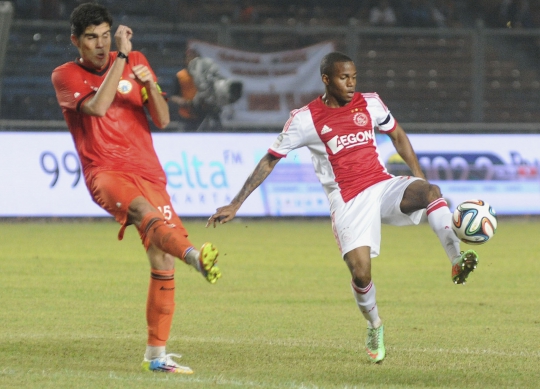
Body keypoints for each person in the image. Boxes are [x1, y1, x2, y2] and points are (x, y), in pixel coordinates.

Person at [207, 51, 479, 364]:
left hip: (381, 184)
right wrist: (236, 203)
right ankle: (374, 324)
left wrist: (416, 175)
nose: (351, 84)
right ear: (326, 79)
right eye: (343, 78)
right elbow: (270, 158)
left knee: (431, 191)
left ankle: (457, 259)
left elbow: (397, 135)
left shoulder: (370, 103)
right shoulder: (305, 119)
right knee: (361, 274)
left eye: (354, 77)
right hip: (348, 200)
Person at [51, 2, 221, 374]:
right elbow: (96, 108)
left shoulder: (136, 60)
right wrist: (121, 59)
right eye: (91, 38)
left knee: (161, 259)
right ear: (75, 41)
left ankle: (156, 357)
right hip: (106, 171)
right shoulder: (65, 74)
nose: (100, 44)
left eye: (105, 36)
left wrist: (148, 84)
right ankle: (193, 255)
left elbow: (161, 118)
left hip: (149, 171)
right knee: (146, 215)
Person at [170, 48, 242, 132]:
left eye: (194, 58)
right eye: (189, 58)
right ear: (185, 60)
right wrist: (183, 102)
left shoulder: (207, 75)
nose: (192, 60)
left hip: (206, 112)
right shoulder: (180, 75)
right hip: (188, 115)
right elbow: (173, 95)